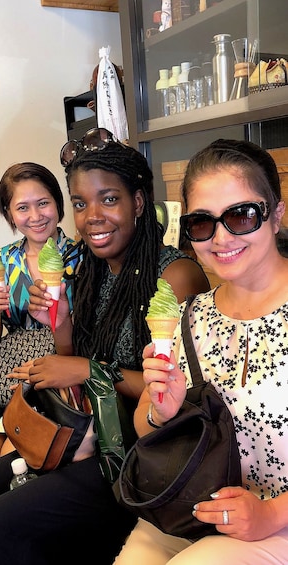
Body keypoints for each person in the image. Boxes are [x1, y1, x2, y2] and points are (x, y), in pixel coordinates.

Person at [0, 127, 210, 565]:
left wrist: (90, 370)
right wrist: (62, 319)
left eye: (109, 199)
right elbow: (67, 356)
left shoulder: (175, 276)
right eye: (81, 203)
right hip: (80, 433)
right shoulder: (86, 268)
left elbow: (177, 393)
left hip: (133, 452)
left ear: (138, 203)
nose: (92, 216)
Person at [114, 138, 288, 565]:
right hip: (193, 506)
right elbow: (146, 426)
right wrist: (161, 409)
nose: (221, 237)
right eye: (202, 223)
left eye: (241, 215)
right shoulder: (189, 314)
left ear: (276, 215)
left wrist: (269, 513)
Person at [0, 162, 79, 477]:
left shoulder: (83, 259)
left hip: (59, 381)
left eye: (43, 203)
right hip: (9, 383)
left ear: (58, 203)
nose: (36, 216)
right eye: (22, 207)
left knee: (10, 461)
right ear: (9, 214)